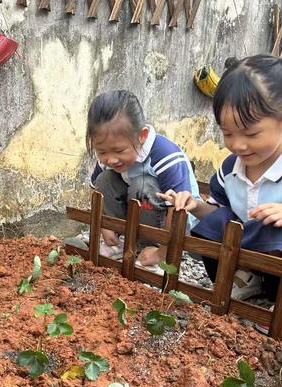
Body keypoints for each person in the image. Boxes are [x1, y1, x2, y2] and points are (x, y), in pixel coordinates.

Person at [159, 54, 282, 334]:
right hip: (251, 245)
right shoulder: (230, 169)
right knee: (215, 224)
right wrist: (195, 205)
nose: (238, 144)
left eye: (251, 133)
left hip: (275, 246)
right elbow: (220, 211)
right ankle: (248, 278)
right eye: (227, 133)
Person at [82, 89, 200, 267]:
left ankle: (149, 247)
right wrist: (105, 226)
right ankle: (119, 241)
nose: (111, 159)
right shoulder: (108, 158)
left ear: (142, 136)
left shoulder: (164, 155)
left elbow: (178, 210)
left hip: (175, 223)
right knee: (104, 180)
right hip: (139, 212)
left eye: (119, 151)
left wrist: (162, 253)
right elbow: (95, 190)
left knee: (142, 185)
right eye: (102, 151)